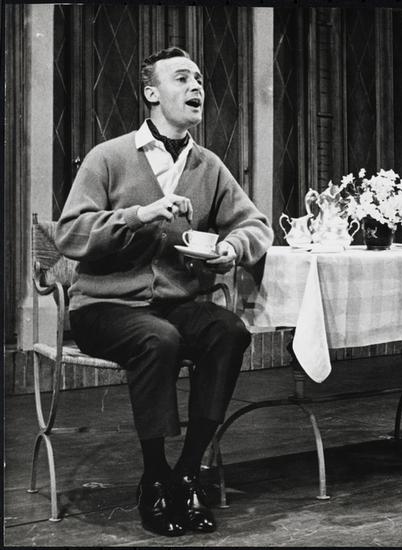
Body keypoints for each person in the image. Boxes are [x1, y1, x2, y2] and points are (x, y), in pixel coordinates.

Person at [55, 46, 274, 536]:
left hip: (174, 304)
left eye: (199, 79)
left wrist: (232, 247)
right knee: (159, 339)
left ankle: (187, 473)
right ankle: (153, 476)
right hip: (104, 306)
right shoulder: (109, 157)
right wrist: (138, 215)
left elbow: (257, 225)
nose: (196, 86)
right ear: (152, 93)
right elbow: (70, 234)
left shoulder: (208, 165)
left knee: (229, 331)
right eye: (181, 78)